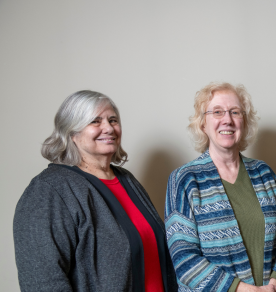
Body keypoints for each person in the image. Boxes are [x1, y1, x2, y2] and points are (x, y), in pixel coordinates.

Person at [13, 90, 178, 292]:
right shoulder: (49, 190)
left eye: (113, 120)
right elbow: (42, 281)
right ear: (72, 132)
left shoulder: (127, 180)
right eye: (95, 121)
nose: (108, 128)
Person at [164, 82, 276, 292]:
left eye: (235, 112)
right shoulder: (185, 179)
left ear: (245, 121)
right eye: (217, 112)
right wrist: (246, 290)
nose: (228, 120)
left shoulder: (264, 174)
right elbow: (183, 257)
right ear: (203, 124)